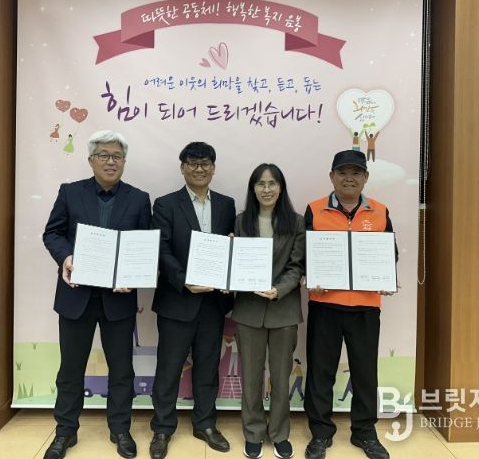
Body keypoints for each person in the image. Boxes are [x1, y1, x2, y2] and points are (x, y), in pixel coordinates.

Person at [42, 130, 151, 459]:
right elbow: (53, 233)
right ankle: (65, 431)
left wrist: (132, 274)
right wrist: (66, 257)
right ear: (91, 160)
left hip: (119, 299)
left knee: (122, 369)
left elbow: (145, 246)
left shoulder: (139, 198)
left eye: (117, 156)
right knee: (70, 369)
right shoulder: (70, 192)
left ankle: (120, 429)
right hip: (76, 297)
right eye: (103, 155)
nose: (110, 161)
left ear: (124, 162)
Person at [303, 149, 397, 459]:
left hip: (366, 307)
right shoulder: (314, 209)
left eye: (356, 173)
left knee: (365, 373)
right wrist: (310, 274)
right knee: (321, 372)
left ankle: (364, 433)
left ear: (365, 178)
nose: (349, 178)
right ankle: (320, 433)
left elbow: (390, 253)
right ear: (332, 176)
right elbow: (304, 254)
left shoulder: (380, 211)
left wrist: (387, 277)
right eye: (342, 172)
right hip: (325, 304)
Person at [149, 142, 236, 459]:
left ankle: (205, 424)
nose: (199, 169)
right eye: (193, 163)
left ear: (214, 168)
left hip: (212, 304)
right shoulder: (166, 204)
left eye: (205, 163)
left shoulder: (226, 205)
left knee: (208, 367)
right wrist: (185, 280)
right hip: (177, 300)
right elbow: (162, 249)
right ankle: (162, 428)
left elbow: (230, 247)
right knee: (169, 368)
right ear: (182, 168)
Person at [231, 163, 305, 459]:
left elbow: (296, 265)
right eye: (260, 184)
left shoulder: (296, 222)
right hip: (248, 310)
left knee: (281, 377)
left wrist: (279, 289)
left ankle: (279, 433)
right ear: (253, 189)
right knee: (251, 377)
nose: (266, 189)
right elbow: (235, 262)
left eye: (272, 183)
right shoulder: (241, 222)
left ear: (281, 188)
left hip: (283, 309)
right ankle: (253, 432)